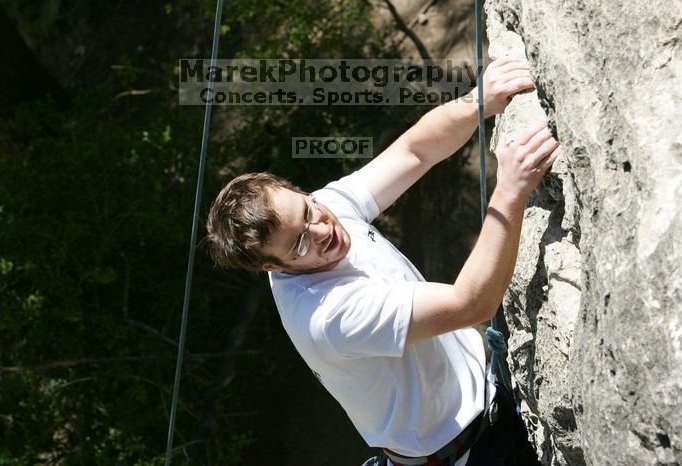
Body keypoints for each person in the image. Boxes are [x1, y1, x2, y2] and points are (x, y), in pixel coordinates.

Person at [206, 56, 560, 466]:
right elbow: (472, 304)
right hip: (471, 453)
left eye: (307, 210)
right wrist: (509, 192)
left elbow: (416, 152)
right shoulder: (329, 316)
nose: (322, 231)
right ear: (273, 267)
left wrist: (477, 101)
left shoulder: (324, 207)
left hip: (489, 394)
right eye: (300, 244)